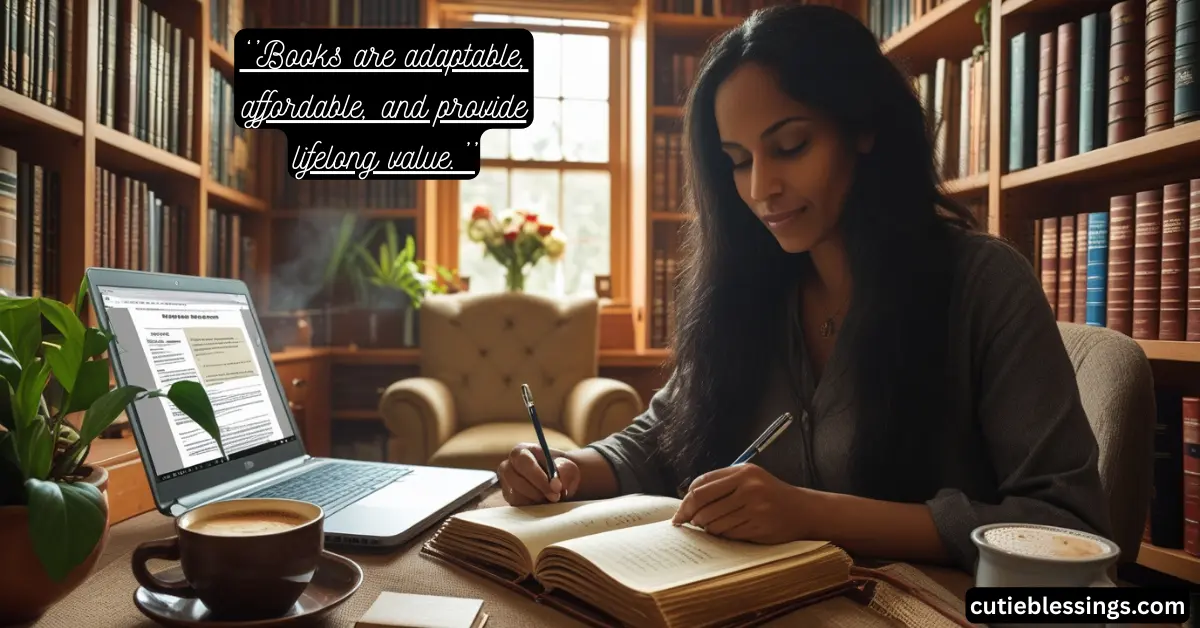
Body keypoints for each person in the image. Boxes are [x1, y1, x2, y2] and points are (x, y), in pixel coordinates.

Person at [496, 2, 1112, 573]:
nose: (762, 187)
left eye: (790, 145)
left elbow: (1063, 522)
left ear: (862, 128)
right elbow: (662, 436)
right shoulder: (748, 288)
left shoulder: (982, 285)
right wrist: (570, 469)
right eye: (738, 160)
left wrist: (811, 514)